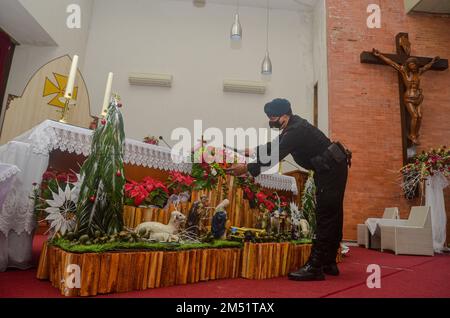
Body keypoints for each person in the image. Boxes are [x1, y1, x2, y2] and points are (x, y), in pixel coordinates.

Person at [226, 98, 351, 281]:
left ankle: (315, 267)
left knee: (326, 214)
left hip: (331, 169)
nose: (271, 121)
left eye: (273, 117)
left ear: (285, 115)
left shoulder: (296, 130)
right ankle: (328, 262)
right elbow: (274, 146)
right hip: (331, 168)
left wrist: (246, 169)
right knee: (332, 214)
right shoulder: (292, 126)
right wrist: (251, 151)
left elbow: (275, 154)